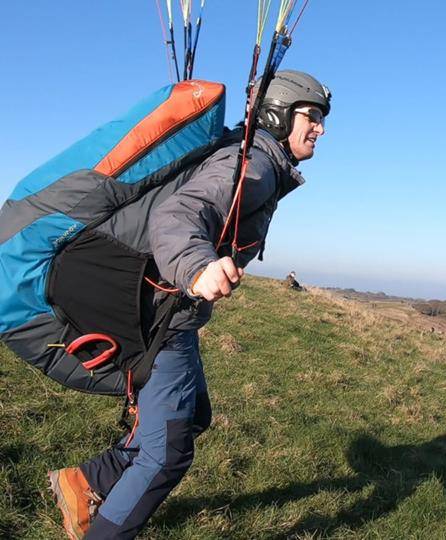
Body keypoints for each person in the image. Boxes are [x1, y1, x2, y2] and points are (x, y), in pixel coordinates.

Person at [46, 70, 331, 540]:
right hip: (160, 316)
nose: (320, 128)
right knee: (168, 453)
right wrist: (198, 267)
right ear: (278, 114)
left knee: (193, 417)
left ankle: (85, 482)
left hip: (168, 312)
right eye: (312, 116)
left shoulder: (255, 159)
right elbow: (177, 216)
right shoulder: (252, 166)